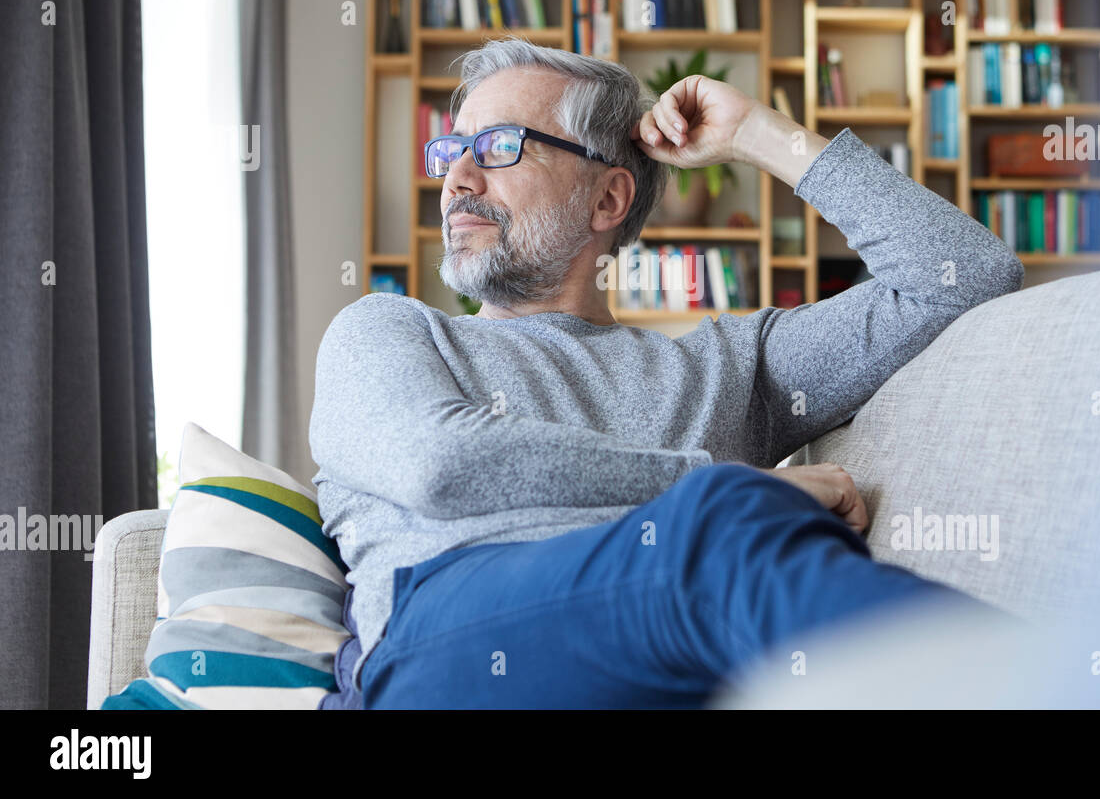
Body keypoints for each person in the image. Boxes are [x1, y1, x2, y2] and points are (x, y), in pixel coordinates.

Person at [308, 35, 1024, 708]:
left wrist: (753, 132)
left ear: (608, 200)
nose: (456, 178)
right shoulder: (388, 329)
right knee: (722, 528)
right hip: (439, 644)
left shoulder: (731, 365)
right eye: (452, 150)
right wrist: (719, 484)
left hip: (676, 657)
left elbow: (964, 276)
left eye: (497, 148)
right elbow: (441, 465)